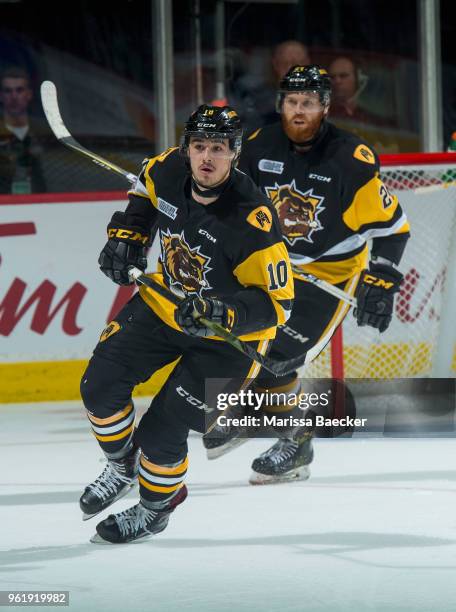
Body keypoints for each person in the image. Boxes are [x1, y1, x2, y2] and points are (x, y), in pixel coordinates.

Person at [79, 104, 294, 543]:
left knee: (162, 433)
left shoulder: (252, 219)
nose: (207, 158)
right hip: (166, 305)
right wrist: (129, 235)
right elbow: (144, 192)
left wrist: (222, 312)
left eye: (218, 148)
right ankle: (122, 466)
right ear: (187, 148)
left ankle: (156, 508)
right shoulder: (167, 168)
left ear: (235, 152)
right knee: (99, 386)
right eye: (199, 147)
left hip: (229, 341)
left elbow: (279, 304)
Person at [203, 65, 410, 484]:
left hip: (329, 271)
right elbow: (235, 202)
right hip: (273, 265)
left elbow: (392, 229)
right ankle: (252, 416)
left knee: (279, 354)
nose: (299, 111)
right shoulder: (261, 146)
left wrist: (383, 277)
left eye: (309, 103)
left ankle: (295, 441)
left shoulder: (351, 161)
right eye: (293, 102)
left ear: (325, 107)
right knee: (233, 335)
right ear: (282, 103)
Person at [0, 66, 47, 193]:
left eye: (19, 90)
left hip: (42, 203)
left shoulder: (44, 131)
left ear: (29, 94)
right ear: (1, 96)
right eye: (8, 91)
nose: (14, 96)